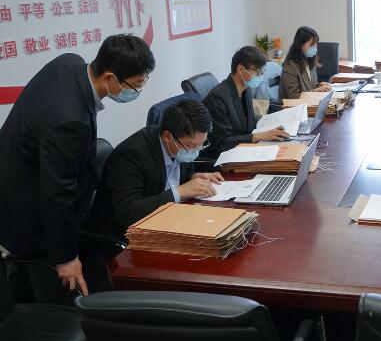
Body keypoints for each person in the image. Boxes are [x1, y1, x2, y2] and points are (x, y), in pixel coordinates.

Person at [0, 34, 155, 301]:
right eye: (137, 84)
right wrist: (66, 258)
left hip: (17, 179)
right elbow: (56, 196)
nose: (139, 90)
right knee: (55, 299)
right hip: (28, 215)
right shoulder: (70, 122)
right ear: (109, 78)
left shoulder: (69, 62)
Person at [89, 100, 222, 239]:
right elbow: (129, 212)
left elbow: (182, 172)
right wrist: (180, 192)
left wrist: (194, 177)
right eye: (191, 146)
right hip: (127, 236)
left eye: (201, 145)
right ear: (167, 137)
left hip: (169, 220)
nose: (196, 152)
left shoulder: (179, 144)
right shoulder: (131, 155)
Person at [202, 46, 289, 159]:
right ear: (241, 69)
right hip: (224, 158)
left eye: (262, 71)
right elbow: (223, 143)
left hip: (244, 150)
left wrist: (281, 114)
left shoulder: (245, 89)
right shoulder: (218, 98)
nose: (261, 76)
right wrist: (257, 137)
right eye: (258, 71)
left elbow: (248, 126)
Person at [280, 26, 332, 99]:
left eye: (315, 44)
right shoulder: (290, 66)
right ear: (300, 46)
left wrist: (319, 86)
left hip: (309, 103)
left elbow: (311, 86)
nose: (315, 47)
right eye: (311, 45)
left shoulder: (310, 61)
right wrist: (316, 91)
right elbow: (293, 96)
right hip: (293, 105)